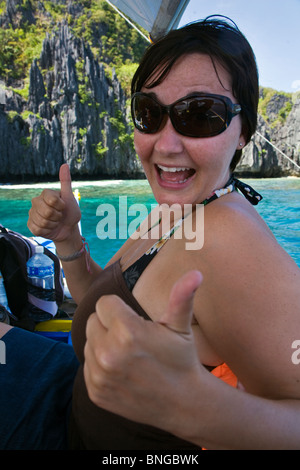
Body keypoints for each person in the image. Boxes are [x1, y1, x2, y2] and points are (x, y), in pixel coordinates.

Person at [25, 16, 300, 449]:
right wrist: (68, 240)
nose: (165, 144)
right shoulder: (173, 211)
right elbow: (101, 299)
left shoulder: (227, 235)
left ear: (244, 130)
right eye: (149, 114)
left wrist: (195, 408)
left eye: (201, 114)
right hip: (66, 401)